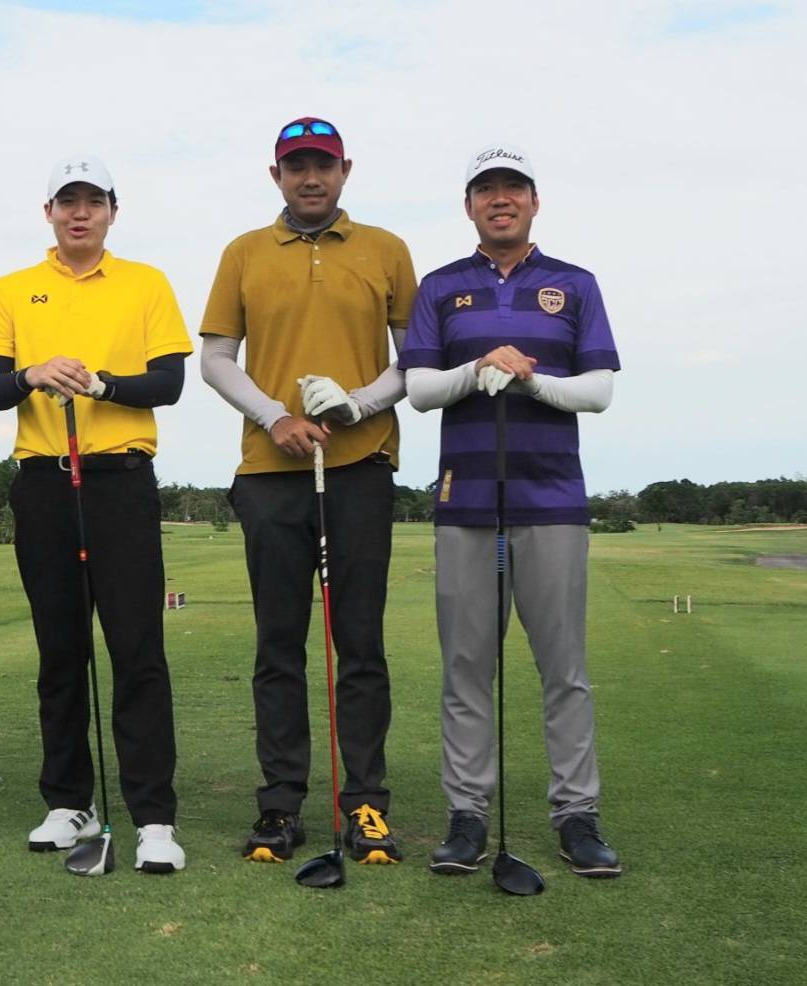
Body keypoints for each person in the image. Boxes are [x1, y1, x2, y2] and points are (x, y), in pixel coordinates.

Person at [399, 144, 624, 878]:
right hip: (465, 499)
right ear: (468, 205)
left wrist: (528, 380)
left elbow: (598, 390)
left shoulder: (574, 283)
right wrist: (479, 367)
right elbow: (421, 389)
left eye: (514, 188)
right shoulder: (441, 286)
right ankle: (467, 815)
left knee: (564, 668)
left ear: (533, 201)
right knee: (466, 668)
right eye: (486, 189)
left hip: (552, 498)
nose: (501, 199)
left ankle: (576, 815)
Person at [201, 117, 417, 865]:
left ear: (345, 169)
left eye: (323, 164)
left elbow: (413, 360)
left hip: (359, 467)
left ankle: (366, 802)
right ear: (276, 176)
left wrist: (356, 404)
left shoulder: (386, 249)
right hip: (271, 471)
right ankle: (280, 804)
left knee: (359, 644)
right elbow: (217, 358)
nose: (311, 177)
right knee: (278, 646)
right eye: (296, 166)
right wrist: (276, 416)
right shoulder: (243, 251)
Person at [0, 155, 192, 873]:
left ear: (111, 212)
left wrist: (101, 384)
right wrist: (31, 373)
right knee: (60, 651)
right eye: (67, 202)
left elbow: (168, 381)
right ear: (49, 213)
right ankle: (69, 802)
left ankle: (152, 815)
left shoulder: (145, 282)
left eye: (93, 201)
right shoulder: (13, 289)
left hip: (120, 482)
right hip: (43, 483)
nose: (80, 213)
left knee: (137, 649)